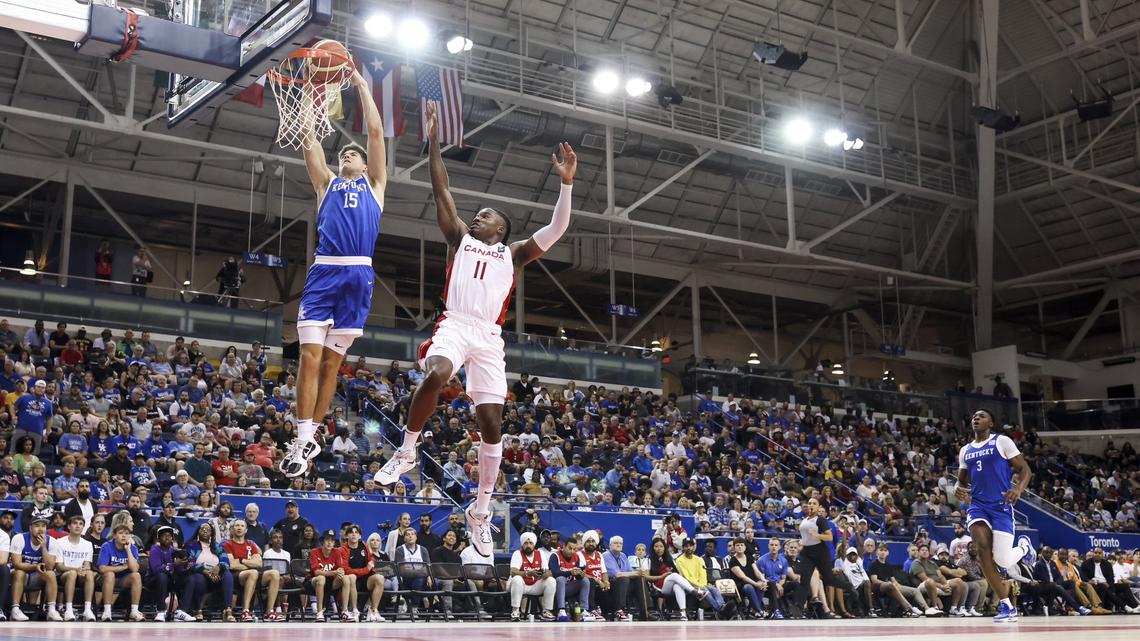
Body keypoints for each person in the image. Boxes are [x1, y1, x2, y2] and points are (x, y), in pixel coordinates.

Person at [374, 101, 577, 558]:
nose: (477, 216)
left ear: (501, 229)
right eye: (478, 213)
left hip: (489, 338)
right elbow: (440, 188)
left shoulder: (516, 253)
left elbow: (558, 227)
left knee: (491, 426)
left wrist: (565, 186)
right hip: (455, 323)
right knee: (437, 373)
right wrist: (432, 142)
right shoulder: (459, 239)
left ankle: (480, 510)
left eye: (486, 215)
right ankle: (407, 450)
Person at [278, 66, 388, 479]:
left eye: (353, 154)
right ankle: (304, 436)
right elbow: (309, 142)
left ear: (363, 163)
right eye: (344, 153)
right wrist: (309, 96)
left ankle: (313, 431)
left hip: (358, 277)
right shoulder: (325, 184)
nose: (348, 155)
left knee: (331, 366)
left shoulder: (375, 184)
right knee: (308, 356)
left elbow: (376, 134)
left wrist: (361, 85)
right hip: (324, 273)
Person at [955, 409, 1034, 623]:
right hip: (978, 506)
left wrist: (1018, 489)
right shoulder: (965, 450)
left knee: (1002, 559)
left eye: (981, 416)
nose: (976, 418)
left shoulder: (1002, 441)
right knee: (982, 550)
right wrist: (957, 487)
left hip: (1001, 505)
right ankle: (1006, 605)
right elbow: (961, 481)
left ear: (991, 422)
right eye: (973, 416)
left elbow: (1025, 469)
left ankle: (1025, 548)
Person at [224, 519, 283, 622]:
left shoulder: (250, 544)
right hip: (236, 576)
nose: (239, 528)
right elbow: (232, 564)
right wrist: (250, 563)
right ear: (232, 529)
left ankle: (269, 612)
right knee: (253, 572)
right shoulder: (227, 544)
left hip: (253, 574)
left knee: (275, 573)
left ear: (246, 530)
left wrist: (241, 560)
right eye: (237, 526)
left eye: (242, 526)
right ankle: (245, 611)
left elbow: (259, 563)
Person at [797, 496, 843, 618]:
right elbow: (806, 539)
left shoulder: (825, 522)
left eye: (814, 504)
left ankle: (826, 607)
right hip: (811, 553)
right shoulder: (805, 521)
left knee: (823, 580)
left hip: (823, 554)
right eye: (809, 503)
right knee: (816, 579)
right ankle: (820, 606)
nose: (811, 505)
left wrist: (816, 535)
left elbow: (832, 539)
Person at [10, 516, 60, 621]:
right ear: (30, 528)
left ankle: (51, 610)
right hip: (19, 576)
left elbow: (50, 566)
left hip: (37, 577)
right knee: (19, 572)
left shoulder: (52, 542)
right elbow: (16, 563)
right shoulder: (19, 538)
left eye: (43, 526)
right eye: (37, 526)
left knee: (50, 574)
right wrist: (35, 566)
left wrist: (43, 548)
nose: (41, 529)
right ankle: (15, 610)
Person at [48, 515, 97, 621]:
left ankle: (87, 610)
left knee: (89, 573)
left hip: (81, 575)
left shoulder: (88, 544)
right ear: (69, 526)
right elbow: (59, 566)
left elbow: (87, 564)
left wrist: (85, 570)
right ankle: (68, 610)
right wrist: (76, 570)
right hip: (63, 575)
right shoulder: (60, 542)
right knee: (72, 573)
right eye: (75, 523)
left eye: (81, 524)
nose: (78, 526)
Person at [97, 523, 144, 621]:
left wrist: (128, 550)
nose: (124, 536)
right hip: (105, 579)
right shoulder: (107, 546)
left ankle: (134, 611)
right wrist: (124, 567)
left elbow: (134, 569)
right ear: (114, 535)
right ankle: (107, 611)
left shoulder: (132, 548)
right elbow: (102, 569)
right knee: (110, 574)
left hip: (123, 579)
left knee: (136, 576)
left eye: (126, 533)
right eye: (120, 533)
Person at [508, 531, 556, 621]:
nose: (528, 545)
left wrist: (543, 575)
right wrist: (527, 573)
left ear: (534, 544)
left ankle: (546, 611)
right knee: (517, 578)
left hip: (535, 585)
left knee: (551, 580)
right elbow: (513, 572)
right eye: (526, 543)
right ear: (522, 544)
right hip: (521, 585)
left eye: (530, 543)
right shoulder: (517, 553)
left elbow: (547, 571)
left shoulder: (540, 553)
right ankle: (515, 611)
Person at [309, 529, 351, 622]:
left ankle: (344, 611)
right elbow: (316, 572)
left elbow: (340, 569)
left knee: (346, 578)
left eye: (332, 540)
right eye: (327, 540)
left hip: (331, 582)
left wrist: (340, 573)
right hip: (314, 581)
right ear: (322, 541)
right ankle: (319, 612)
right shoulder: (314, 552)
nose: (329, 542)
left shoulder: (336, 552)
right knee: (321, 578)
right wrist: (334, 572)